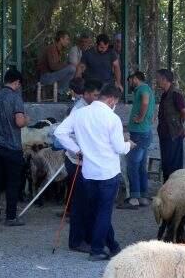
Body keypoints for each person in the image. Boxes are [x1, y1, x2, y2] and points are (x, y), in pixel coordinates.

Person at [54, 85, 134, 260]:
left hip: (88, 172)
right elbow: (120, 148)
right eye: (116, 102)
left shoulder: (80, 113)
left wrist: (76, 149)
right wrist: (129, 145)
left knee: (95, 211)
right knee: (104, 212)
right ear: (112, 99)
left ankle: (113, 245)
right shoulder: (112, 119)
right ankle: (97, 249)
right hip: (108, 172)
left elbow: (59, 132)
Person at [0, 69, 29, 226]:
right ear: (17, 82)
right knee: (12, 182)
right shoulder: (15, 97)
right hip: (12, 147)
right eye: (19, 84)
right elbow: (19, 122)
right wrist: (26, 120)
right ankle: (10, 217)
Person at [55, 78, 102, 220]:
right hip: (77, 156)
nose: (96, 98)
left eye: (98, 96)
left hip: (84, 155)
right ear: (86, 94)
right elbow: (65, 132)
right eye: (94, 95)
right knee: (77, 186)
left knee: (77, 186)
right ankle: (74, 214)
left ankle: (73, 212)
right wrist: (77, 150)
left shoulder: (91, 108)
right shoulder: (79, 110)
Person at [119, 71, 155, 209]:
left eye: (130, 81)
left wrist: (140, 118)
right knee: (140, 166)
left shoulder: (143, 88)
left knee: (133, 165)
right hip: (142, 132)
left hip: (139, 133)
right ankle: (143, 197)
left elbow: (145, 103)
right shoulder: (146, 89)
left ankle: (134, 197)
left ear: (135, 79)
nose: (129, 84)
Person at [156, 69, 185, 182]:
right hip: (165, 134)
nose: (157, 80)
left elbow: (184, 112)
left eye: (158, 78)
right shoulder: (164, 94)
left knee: (173, 164)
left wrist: (179, 125)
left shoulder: (175, 94)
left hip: (173, 134)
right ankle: (167, 189)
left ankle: (174, 189)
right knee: (166, 163)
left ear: (164, 79)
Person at [37, 30, 76, 97]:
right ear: (61, 39)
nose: (68, 42)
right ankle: (60, 93)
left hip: (51, 75)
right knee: (71, 68)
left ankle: (60, 92)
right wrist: (67, 65)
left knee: (71, 68)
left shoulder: (59, 50)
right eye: (67, 39)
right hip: (45, 77)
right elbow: (53, 67)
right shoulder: (52, 48)